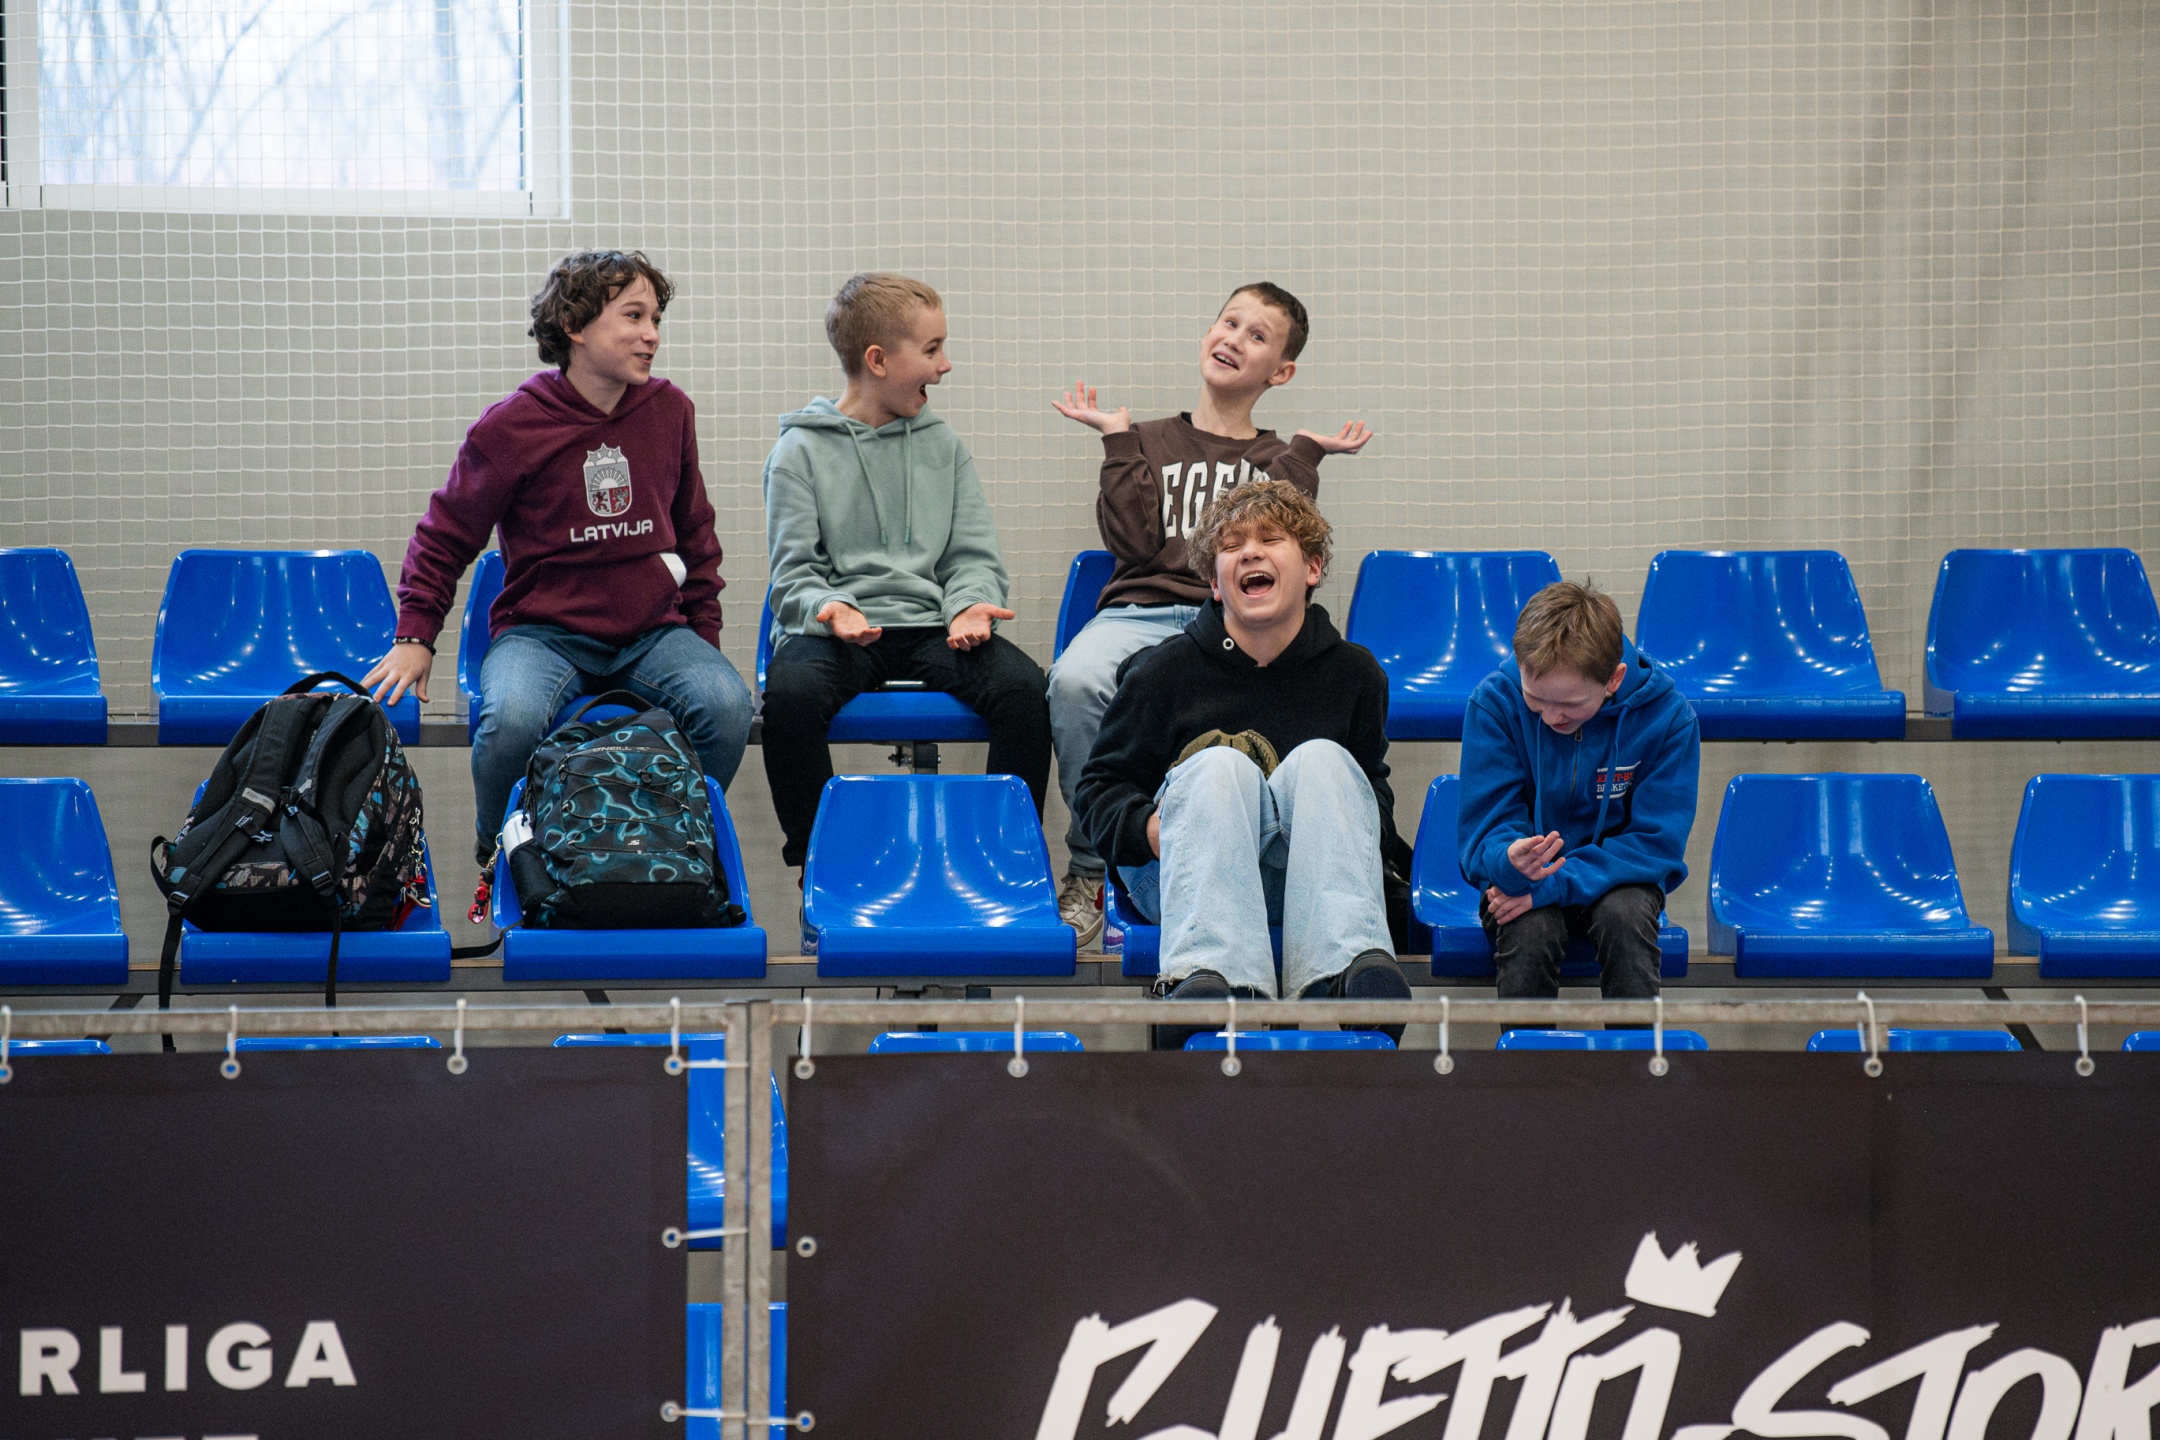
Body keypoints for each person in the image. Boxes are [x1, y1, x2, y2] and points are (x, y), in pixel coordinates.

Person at [365, 249, 753, 865]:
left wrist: (703, 639)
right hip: (542, 634)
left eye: (656, 319)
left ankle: (670, 847)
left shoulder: (670, 411)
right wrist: (416, 635)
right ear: (574, 326)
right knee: (512, 722)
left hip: (652, 633)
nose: (652, 335)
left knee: (727, 707)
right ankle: (502, 856)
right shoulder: (512, 426)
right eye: (633, 316)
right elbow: (444, 536)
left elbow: (696, 536)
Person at [1046, 283, 1372, 947]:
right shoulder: (1146, 438)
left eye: (1258, 335)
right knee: (1075, 681)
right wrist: (1118, 443)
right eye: (1229, 322)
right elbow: (1133, 546)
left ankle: (1276, 861)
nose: (1234, 339)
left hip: (1230, 620)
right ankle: (1090, 867)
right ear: (1207, 333)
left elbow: (1288, 545)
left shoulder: (1278, 458)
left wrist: (1305, 457)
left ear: (1281, 372)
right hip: (1139, 612)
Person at [761, 272, 1052, 939]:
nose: (945, 365)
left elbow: (972, 556)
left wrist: (971, 605)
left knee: (1022, 692)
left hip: (931, 628)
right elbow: (794, 573)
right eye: (932, 349)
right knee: (791, 699)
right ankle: (820, 867)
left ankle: (1003, 867)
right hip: (841, 631)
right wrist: (831, 608)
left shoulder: (943, 447)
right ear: (879, 360)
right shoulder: (798, 451)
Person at [1076, 480, 1411, 1049]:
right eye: (1231, 547)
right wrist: (1153, 829)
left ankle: (1356, 977)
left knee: (1325, 760)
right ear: (1215, 582)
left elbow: (1372, 796)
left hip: (1307, 880)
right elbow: (1099, 789)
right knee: (1218, 768)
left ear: (1312, 567)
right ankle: (1205, 982)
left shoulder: (1355, 675)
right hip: (1188, 875)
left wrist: (1344, 821)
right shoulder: (1160, 672)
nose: (1250, 553)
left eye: (1270, 539)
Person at [1456, 581, 1701, 1000]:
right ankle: (1527, 1046)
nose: (1552, 717)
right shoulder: (1494, 703)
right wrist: (1508, 859)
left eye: (1570, 705)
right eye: (1536, 700)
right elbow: (1487, 828)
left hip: (1620, 880)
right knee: (1528, 928)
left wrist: (1557, 883)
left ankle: (1637, 1045)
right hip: (1522, 882)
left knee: (1626, 917)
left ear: (1614, 678)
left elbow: (1654, 844)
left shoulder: (1669, 718)